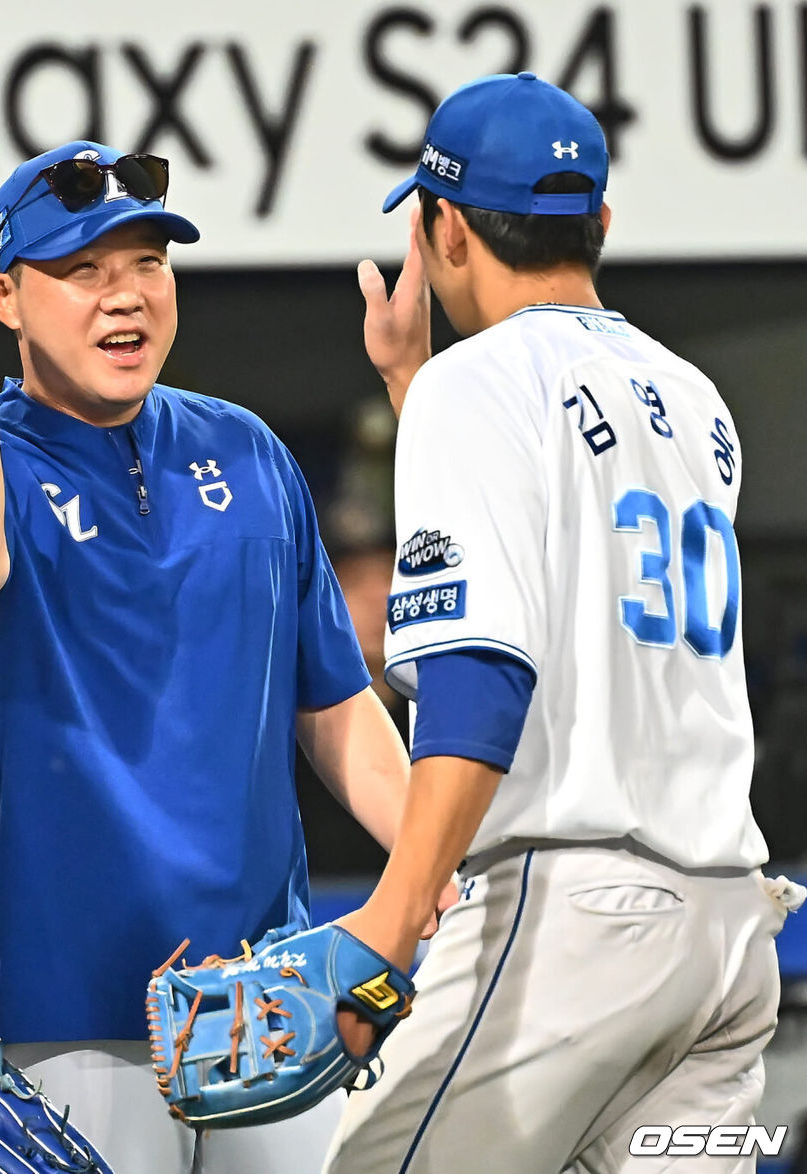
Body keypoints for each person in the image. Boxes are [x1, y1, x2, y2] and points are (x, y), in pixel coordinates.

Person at [0, 140, 411, 1173]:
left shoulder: (246, 448)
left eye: (147, 264)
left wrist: (431, 868)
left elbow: (331, 699)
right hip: (75, 1018)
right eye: (82, 272)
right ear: (9, 298)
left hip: (269, 1001)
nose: (125, 298)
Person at [324, 72, 806, 1173]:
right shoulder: (695, 398)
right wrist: (413, 381)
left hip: (572, 917)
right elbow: (554, 537)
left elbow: (481, 675)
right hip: (726, 934)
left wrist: (386, 933)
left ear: (442, 227)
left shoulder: (477, 387)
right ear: (598, 220)